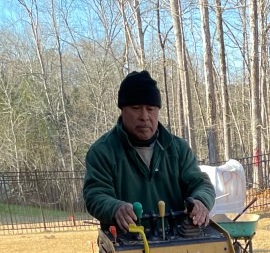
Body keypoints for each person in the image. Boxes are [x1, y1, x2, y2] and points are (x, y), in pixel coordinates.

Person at [83, 70, 215, 232]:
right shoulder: (102, 152)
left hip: (179, 241)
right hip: (127, 241)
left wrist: (201, 201)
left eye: (150, 109)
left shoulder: (178, 149)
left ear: (158, 111)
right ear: (122, 110)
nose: (144, 116)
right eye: (136, 108)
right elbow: (95, 194)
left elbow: (201, 184)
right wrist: (115, 208)